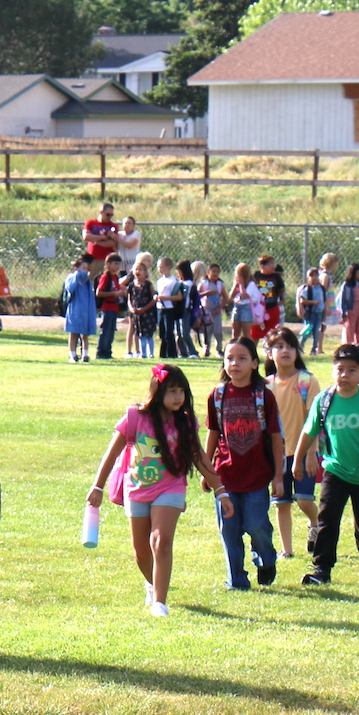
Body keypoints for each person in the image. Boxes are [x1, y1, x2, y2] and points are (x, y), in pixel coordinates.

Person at [89, 365, 227, 616]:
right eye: (171, 391)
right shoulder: (134, 417)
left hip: (171, 487)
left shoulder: (185, 422)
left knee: (160, 541)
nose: (177, 397)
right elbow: (112, 453)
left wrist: (221, 490)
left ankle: (160, 603)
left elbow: (200, 456)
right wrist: (97, 486)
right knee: (141, 551)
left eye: (181, 391)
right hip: (137, 488)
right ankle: (152, 583)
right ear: (157, 391)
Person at [294, 344, 359, 585]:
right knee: (327, 518)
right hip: (335, 470)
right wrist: (298, 460)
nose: (344, 375)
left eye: (352, 370)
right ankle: (322, 569)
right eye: (340, 369)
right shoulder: (324, 401)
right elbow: (309, 432)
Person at [204, 338, 283, 590]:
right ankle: (236, 580)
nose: (234, 363)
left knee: (256, 524)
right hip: (225, 475)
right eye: (229, 358)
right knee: (229, 529)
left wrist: (279, 476)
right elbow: (213, 433)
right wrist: (208, 470)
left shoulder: (263, 396)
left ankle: (266, 558)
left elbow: (275, 437)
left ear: (254, 364)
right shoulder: (217, 396)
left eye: (241, 358)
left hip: (257, 475)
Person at [266, 327, 320, 560]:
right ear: (269, 353)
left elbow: (314, 420)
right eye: (278, 347)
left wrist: (311, 453)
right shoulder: (265, 385)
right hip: (277, 456)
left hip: (304, 452)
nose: (284, 351)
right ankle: (286, 549)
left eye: (289, 346)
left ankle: (316, 524)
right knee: (281, 502)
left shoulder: (307, 381)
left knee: (304, 499)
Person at [62, 255, 98, 363]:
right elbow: (69, 289)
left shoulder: (87, 282)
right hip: (74, 310)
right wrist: (76, 277)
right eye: (83, 268)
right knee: (73, 333)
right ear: (76, 269)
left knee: (84, 335)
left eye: (86, 268)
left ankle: (85, 355)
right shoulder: (71, 277)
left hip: (85, 311)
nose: (85, 271)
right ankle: (72, 355)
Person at [94, 253, 126, 359]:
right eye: (115, 264)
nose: (117, 267)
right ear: (108, 264)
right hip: (107, 307)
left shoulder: (115, 277)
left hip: (114, 307)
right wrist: (114, 294)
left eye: (119, 264)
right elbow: (99, 293)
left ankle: (108, 352)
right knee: (106, 330)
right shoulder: (105, 277)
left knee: (111, 331)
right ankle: (101, 352)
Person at [195, 261, 226, 358]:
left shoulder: (221, 284)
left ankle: (219, 349)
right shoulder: (203, 284)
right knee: (206, 330)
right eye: (213, 271)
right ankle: (206, 348)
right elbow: (197, 296)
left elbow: (225, 297)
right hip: (206, 310)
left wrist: (220, 307)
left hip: (216, 310)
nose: (215, 274)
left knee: (217, 331)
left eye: (217, 272)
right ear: (208, 273)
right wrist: (207, 293)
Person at [127, 260, 157, 359]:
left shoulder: (148, 285)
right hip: (136, 314)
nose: (138, 271)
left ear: (145, 272)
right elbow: (129, 299)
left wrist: (144, 309)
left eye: (140, 269)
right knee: (140, 334)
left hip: (147, 313)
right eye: (136, 269)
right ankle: (143, 353)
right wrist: (131, 309)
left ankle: (151, 353)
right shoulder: (131, 286)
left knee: (148, 334)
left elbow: (153, 299)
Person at [255, 255, 286, 340]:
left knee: (273, 330)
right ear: (262, 266)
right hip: (258, 308)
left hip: (272, 307)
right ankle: (253, 349)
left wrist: (276, 297)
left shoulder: (276, 277)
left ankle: (270, 348)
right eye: (270, 264)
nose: (273, 267)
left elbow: (282, 289)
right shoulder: (256, 276)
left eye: (274, 264)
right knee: (255, 331)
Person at [297, 267, 327, 355]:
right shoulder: (307, 289)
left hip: (319, 313)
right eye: (311, 276)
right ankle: (300, 346)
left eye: (316, 275)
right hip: (310, 313)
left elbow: (324, 301)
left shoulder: (321, 288)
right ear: (307, 278)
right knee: (307, 331)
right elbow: (302, 301)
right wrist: (313, 302)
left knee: (316, 333)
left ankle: (314, 349)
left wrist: (325, 312)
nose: (314, 278)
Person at [339, 264, 359, 347]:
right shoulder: (347, 285)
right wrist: (343, 313)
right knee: (350, 329)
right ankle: (349, 346)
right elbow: (343, 300)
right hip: (351, 308)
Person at [82, 202, 119, 268]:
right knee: (91, 278)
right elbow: (86, 237)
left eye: (111, 215)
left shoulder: (113, 226)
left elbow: (112, 243)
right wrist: (103, 238)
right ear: (101, 212)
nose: (109, 217)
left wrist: (96, 241)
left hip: (108, 260)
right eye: (108, 215)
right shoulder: (90, 223)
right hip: (92, 259)